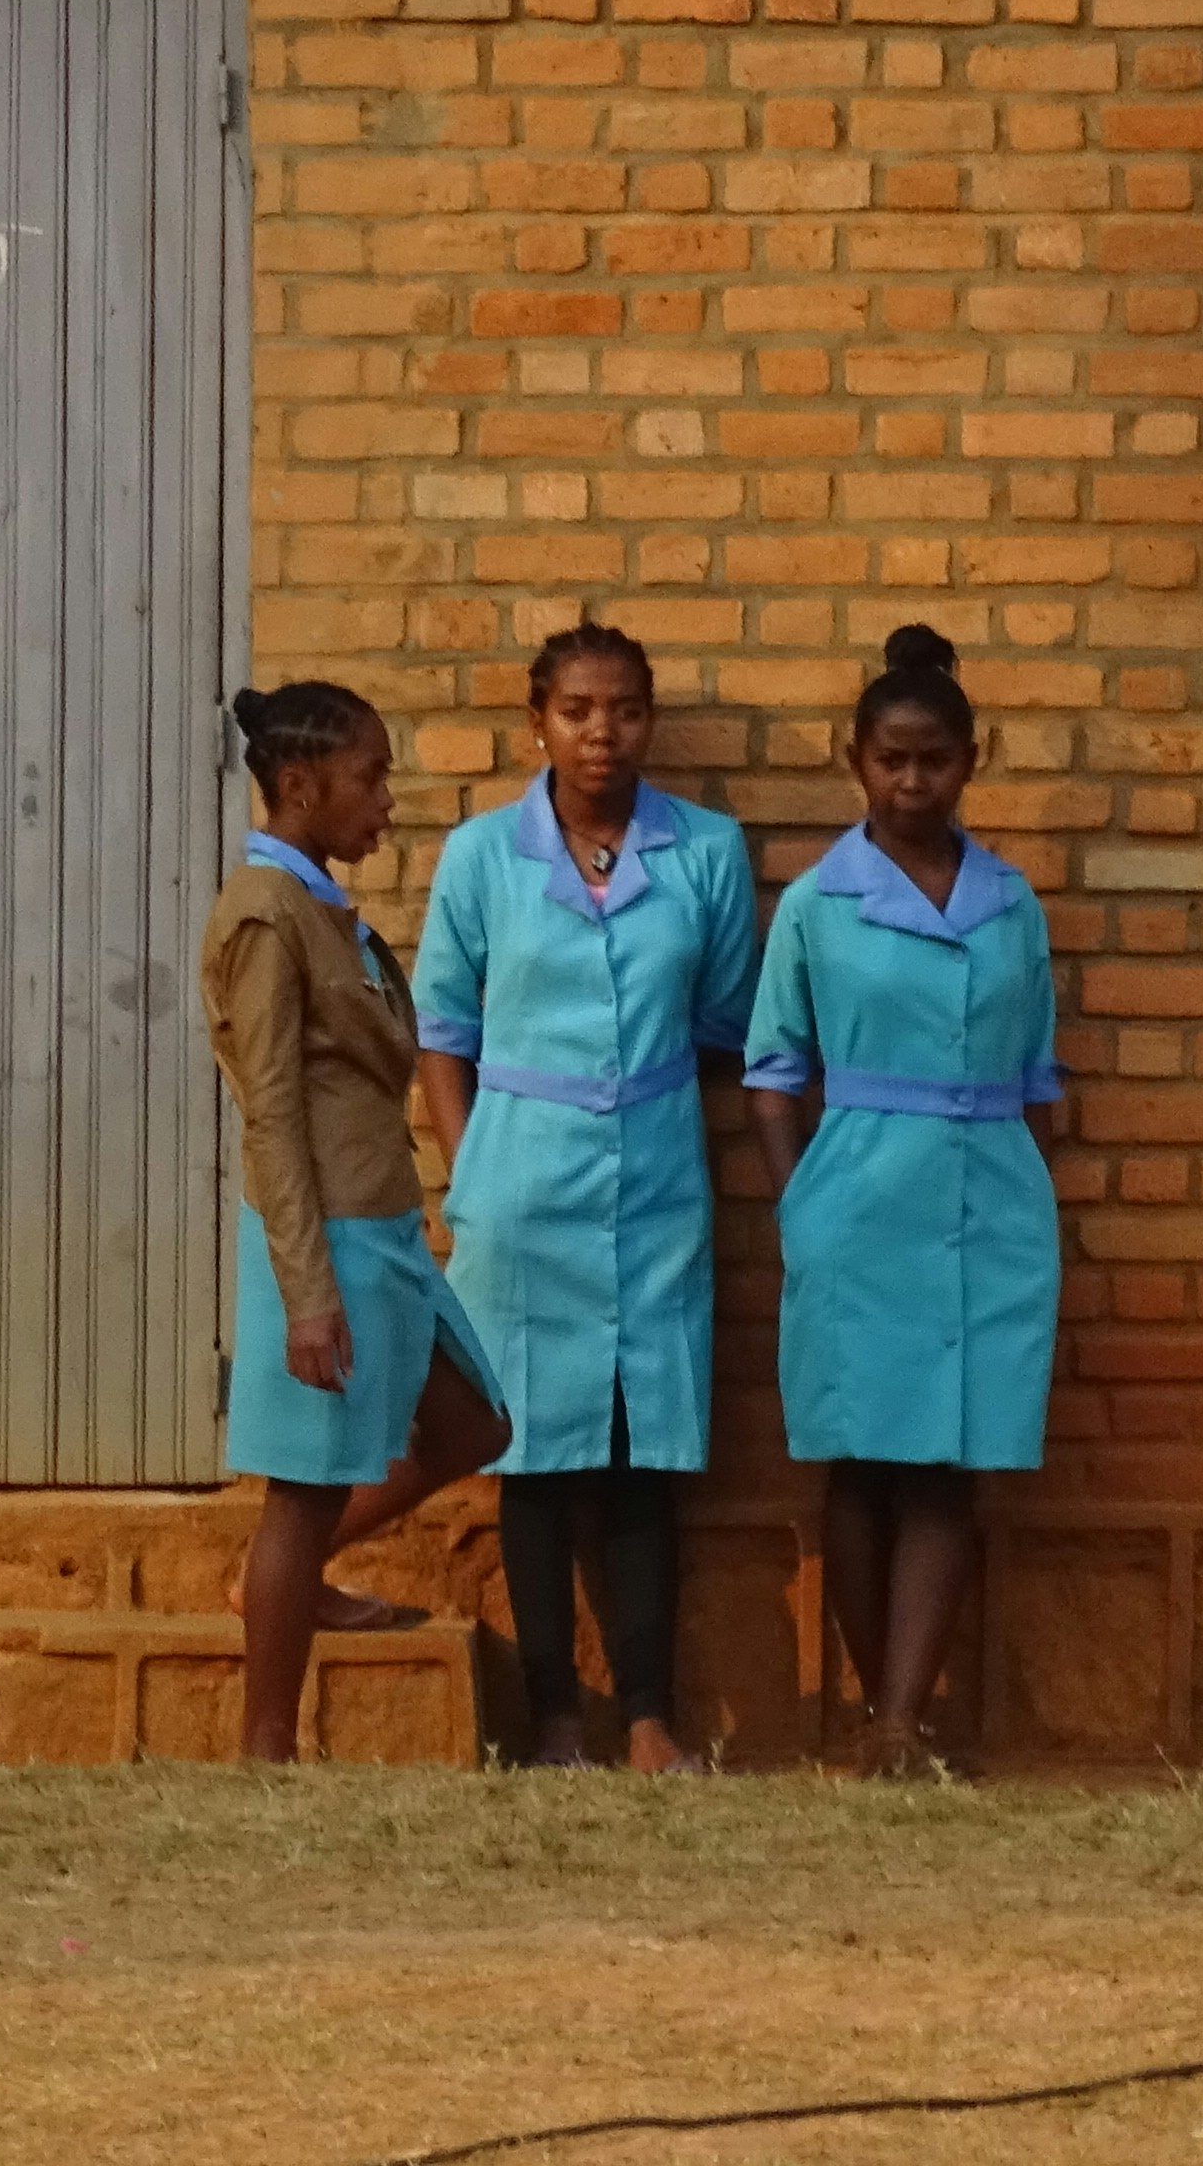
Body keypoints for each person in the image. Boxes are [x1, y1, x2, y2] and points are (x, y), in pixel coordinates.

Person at [412, 618, 761, 1772]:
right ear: (538, 723)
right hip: (517, 1188)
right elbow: (442, 1033)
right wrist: (471, 1172)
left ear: (649, 720)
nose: (601, 734)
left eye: (624, 710)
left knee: (641, 1448)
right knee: (533, 1454)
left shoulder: (706, 854)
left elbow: (723, 1023)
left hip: (655, 1184)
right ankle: (556, 1714)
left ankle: (649, 1715)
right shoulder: (481, 858)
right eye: (577, 711)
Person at [746, 621, 1064, 1778]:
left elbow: (1036, 1077)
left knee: (949, 1458)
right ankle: (869, 1713)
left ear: (972, 760)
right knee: (859, 1457)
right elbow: (774, 1070)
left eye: (935, 758)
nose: (912, 780)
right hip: (857, 1200)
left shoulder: (1010, 905)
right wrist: (801, 1211)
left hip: (989, 1205)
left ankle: (899, 1718)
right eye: (891, 759)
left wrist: (1029, 1194)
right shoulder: (818, 905)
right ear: (856, 760)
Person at [209, 676, 507, 1763]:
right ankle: (266, 1747)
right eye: (370, 778)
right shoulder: (261, 915)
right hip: (324, 1237)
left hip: (382, 1231)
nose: (388, 800)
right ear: (299, 785)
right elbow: (273, 1116)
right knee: (303, 1489)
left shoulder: (319, 904)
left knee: (476, 1425)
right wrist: (305, 1295)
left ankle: (288, 1588)